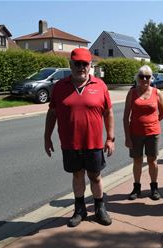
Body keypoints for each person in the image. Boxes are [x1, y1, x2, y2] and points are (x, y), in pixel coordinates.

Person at [44, 48, 114, 227]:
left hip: (94, 143)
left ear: (90, 65)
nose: (81, 67)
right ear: (70, 64)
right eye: (77, 63)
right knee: (77, 175)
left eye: (85, 64)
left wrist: (110, 138)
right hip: (70, 143)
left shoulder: (100, 85)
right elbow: (52, 113)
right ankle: (80, 209)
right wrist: (47, 137)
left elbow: (108, 113)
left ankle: (99, 208)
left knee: (95, 176)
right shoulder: (60, 87)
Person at [123, 65, 163, 201]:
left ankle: (154, 188)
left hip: (152, 133)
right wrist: (127, 137)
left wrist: (151, 123)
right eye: (142, 76)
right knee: (137, 161)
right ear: (138, 78)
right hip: (135, 133)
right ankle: (137, 188)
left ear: (151, 78)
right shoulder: (132, 93)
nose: (145, 79)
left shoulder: (157, 92)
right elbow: (125, 117)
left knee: (152, 160)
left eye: (147, 76)